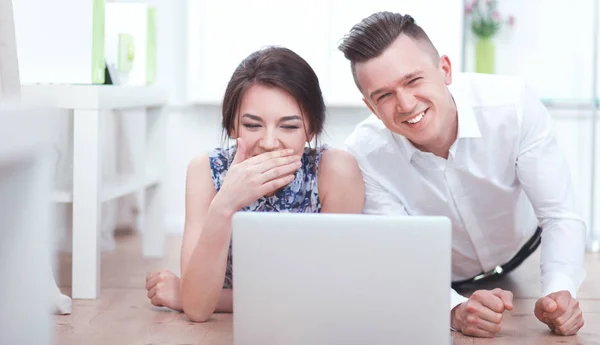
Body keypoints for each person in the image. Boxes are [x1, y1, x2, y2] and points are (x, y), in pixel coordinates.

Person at [339, 12, 586, 338]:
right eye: (384, 96)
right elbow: (400, 255)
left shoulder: (513, 106)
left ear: (445, 69)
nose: (406, 104)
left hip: (522, 251)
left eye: (414, 81)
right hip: (443, 275)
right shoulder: (363, 155)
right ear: (370, 107)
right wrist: (451, 309)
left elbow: (559, 214)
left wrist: (559, 290)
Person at [145, 46, 365, 322]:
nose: (270, 143)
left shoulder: (335, 171)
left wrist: (195, 296)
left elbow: (327, 296)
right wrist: (225, 203)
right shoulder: (205, 171)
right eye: (252, 125)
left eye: (289, 127)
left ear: (311, 129)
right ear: (232, 127)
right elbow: (198, 308)